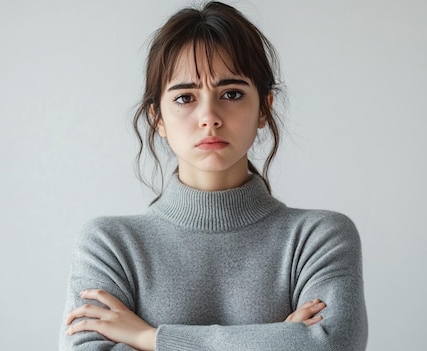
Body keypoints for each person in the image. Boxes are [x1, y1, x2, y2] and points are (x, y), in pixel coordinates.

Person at [59, 2, 368, 350]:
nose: (209, 116)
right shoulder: (110, 245)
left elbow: (331, 346)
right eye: (185, 97)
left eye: (232, 94)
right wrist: (280, 339)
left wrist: (151, 337)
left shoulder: (317, 239)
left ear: (264, 108)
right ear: (156, 117)